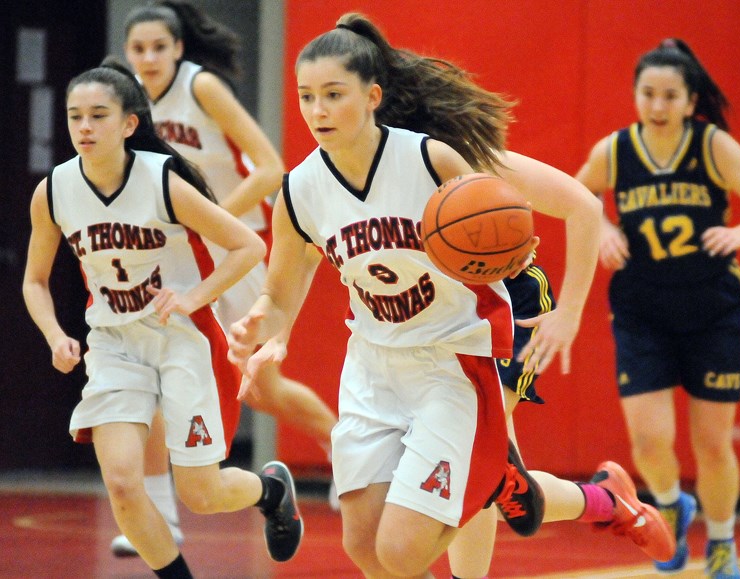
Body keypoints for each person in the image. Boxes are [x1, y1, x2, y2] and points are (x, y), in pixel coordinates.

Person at [227, 13, 675, 578]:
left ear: (372, 93)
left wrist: (568, 315)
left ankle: (527, 489)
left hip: (489, 319)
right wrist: (268, 330)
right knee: (379, 544)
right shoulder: (305, 189)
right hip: (379, 357)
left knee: (451, 511)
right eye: (306, 96)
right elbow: (282, 289)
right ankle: (595, 497)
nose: (317, 110)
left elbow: (582, 208)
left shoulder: (446, 160)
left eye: (332, 94)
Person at [21, 59, 303, 578]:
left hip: (181, 339)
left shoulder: (162, 181)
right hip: (113, 342)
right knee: (124, 486)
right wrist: (55, 334)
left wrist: (195, 298)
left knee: (202, 493)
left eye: (98, 115)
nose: (84, 126)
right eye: (74, 116)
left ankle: (270, 490)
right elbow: (34, 280)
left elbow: (244, 246)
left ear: (129, 123)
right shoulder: (55, 191)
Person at [113, 0, 340, 556]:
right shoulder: (123, 102)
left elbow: (270, 168)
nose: (147, 59)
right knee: (157, 378)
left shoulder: (202, 90)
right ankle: (159, 519)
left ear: (178, 49)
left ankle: (344, 450)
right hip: (175, 260)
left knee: (263, 387)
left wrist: (210, 218)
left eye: (158, 48)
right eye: (138, 49)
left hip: (234, 251)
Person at [575, 38, 740, 578]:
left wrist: (739, 231)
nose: (656, 106)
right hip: (642, 308)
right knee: (647, 440)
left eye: (669, 96)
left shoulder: (712, 146)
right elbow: (577, 198)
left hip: (712, 309)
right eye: (647, 94)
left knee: (712, 442)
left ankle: (722, 543)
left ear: (690, 100)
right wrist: (602, 227)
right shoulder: (616, 151)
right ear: (635, 95)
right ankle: (670, 503)